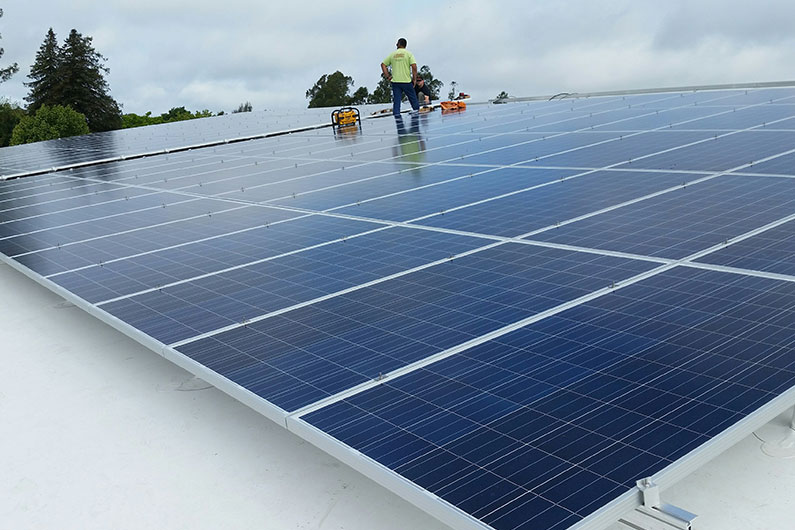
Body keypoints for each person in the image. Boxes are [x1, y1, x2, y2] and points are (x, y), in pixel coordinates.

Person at [381, 38, 420, 116]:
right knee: (413, 100)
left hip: (396, 82)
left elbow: (383, 65)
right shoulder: (409, 54)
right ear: (405, 45)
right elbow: (414, 66)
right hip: (406, 81)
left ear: (399, 44)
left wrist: (388, 76)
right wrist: (414, 79)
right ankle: (417, 115)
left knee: (397, 102)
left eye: (397, 43)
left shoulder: (392, 55)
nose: (396, 45)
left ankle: (398, 121)